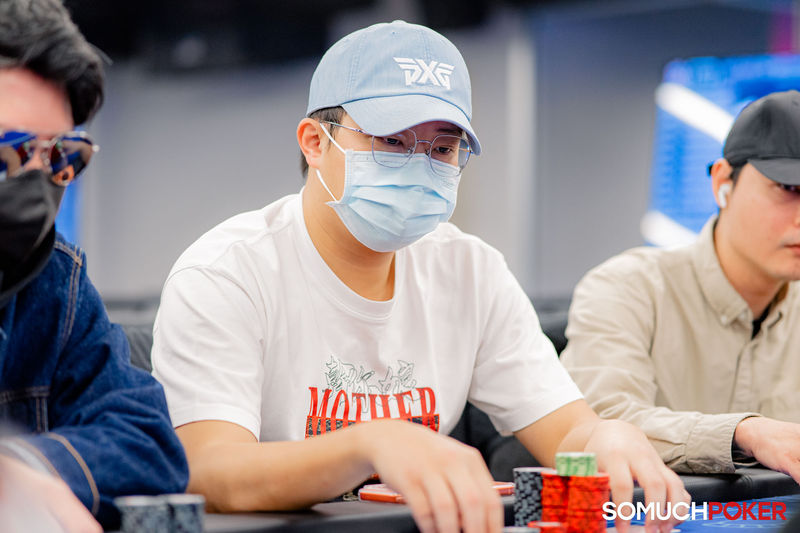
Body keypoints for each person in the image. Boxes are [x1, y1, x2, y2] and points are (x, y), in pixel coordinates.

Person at [152, 20, 687, 533]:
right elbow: (212, 471)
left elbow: (568, 431)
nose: (419, 166)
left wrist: (603, 438)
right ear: (315, 142)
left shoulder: (470, 272)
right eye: (391, 141)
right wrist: (368, 445)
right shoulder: (228, 273)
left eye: (442, 148)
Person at [0, 0, 189, 530]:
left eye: (62, 156)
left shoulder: (53, 281)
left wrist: (23, 470)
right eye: (8, 150)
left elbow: (148, 446)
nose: (35, 180)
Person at [560, 90, 800, 483]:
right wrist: (745, 433)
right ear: (722, 182)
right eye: (789, 189)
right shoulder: (628, 288)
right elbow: (596, 426)